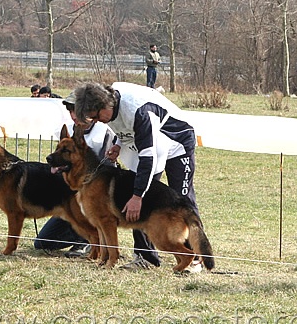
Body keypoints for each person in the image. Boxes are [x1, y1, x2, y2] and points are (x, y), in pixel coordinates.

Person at [73, 81, 202, 272]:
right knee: (136, 196)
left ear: (105, 105)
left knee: (181, 199)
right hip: (144, 141)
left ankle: (196, 257)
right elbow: (123, 128)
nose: (97, 121)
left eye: (96, 116)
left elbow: (148, 159)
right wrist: (118, 144)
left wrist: (137, 196)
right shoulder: (108, 106)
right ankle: (145, 257)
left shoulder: (138, 110)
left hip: (176, 141)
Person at [34, 91, 117, 257]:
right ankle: (83, 234)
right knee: (43, 243)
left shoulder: (104, 131)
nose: (74, 116)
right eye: (71, 111)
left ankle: (88, 242)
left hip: (95, 195)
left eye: (78, 111)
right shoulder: (65, 132)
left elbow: (106, 167)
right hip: (70, 197)